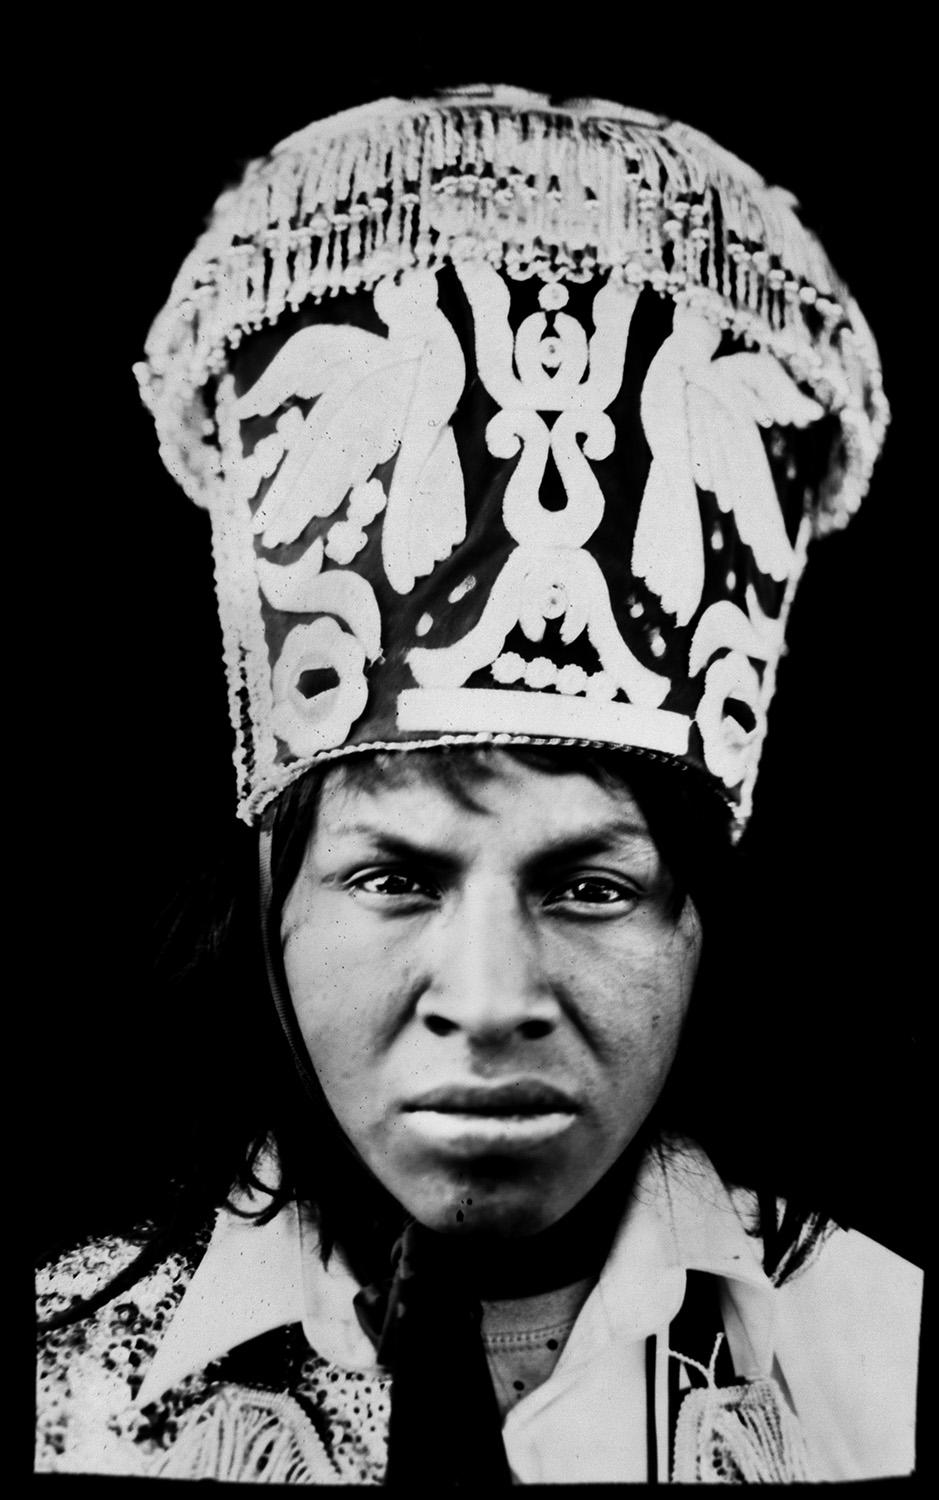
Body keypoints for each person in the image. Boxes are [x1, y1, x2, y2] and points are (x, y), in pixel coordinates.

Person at [35, 84, 921, 1483]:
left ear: (704, 926)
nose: (493, 1000)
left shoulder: (885, 1369)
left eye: (591, 884)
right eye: (395, 877)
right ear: (269, 895)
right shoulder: (57, 1387)